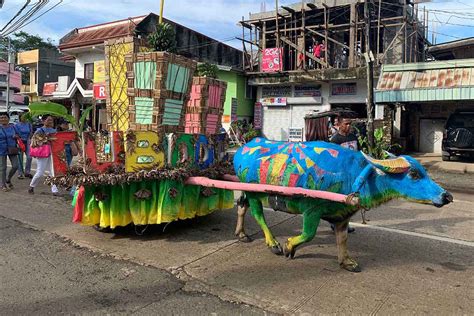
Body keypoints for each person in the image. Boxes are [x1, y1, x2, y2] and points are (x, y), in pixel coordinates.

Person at [330, 115, 357, 233]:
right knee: (338, 201)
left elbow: (358, 153)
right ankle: (334, 223)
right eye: (346, 124)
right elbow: (332, 159)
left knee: (349, 200)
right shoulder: (335, 140)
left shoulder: (353, 137)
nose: (349, 126)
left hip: (352, 173)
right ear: (339, 125)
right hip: (340, 174)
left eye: (350, 123)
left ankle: (345, 224)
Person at [28, 115, 57, 195]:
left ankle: (54, 190)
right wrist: (46, 140)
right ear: (43, 121)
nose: (50, 121)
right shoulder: (39, 130)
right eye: (48, 120)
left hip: (52, 152)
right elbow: (35, 142)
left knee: (53, 172)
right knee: (40, 172)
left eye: (51, 120)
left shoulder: (54, 130)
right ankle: (32, 186)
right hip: (42, 153)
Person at [0, 112, 20, 192]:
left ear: (8, 118)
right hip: (1, 149)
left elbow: (19, 135)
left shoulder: (13, 127)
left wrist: (16, 136)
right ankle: (3, 184)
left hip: (12, 148)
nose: (3, 119)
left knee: (15, 166)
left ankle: (8, 178)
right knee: (2, 168)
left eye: (4, 117)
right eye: (1, 118)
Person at [15, 113, 33, 179]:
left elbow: (31, 133)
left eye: (25, 116)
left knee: (29, 157)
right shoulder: (16, 125)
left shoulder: (29, 124)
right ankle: (20, 173)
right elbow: (15, 134)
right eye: (23, 117)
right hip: (20, 142)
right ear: (20, 117)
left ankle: (27, 172)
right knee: (20, 159)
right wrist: (18, 140)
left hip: (27, 142)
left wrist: (30, 139)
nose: (24, 118)